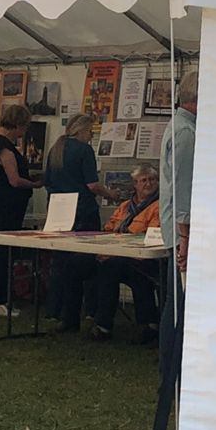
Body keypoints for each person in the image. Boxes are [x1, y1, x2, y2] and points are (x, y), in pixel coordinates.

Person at [43, 112, 109, 333]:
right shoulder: (84, 150)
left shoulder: (56, 150)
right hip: (83, 211)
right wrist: (111, 194)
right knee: (88, 262)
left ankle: (59, 310)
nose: (91, 136)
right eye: (90, 132)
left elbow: (48, 182)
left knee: (61, 264)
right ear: (81, 130)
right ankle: (91, 310)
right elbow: (92, 185)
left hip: (60, 212)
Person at [86, 164, 163, 342]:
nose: (149, 184)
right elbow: (109, 228)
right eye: (144, 180)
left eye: (152, 180)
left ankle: (107, 325)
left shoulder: (159, 206)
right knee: (90, 264)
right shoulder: (125, 206)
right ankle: (95, 321)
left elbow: (149, 235)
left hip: (146, 259)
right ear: (135, 184)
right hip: (121, 257)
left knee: (112, 268)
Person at [0, 101, 41, 315]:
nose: (23, 134)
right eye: (24, 129)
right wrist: (34, 184)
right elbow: (14, 180)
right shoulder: (4, 147)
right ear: (18, 125)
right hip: (6, 204)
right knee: (4, 249)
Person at [157, 72, 199, 353]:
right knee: (179, 303)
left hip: (179, 226)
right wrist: (185, 236)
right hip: (183, 229)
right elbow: (184, 186)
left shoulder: (182, 127)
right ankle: (173, 363)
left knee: (179, 301)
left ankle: (173, 361)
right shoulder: (186, 132)